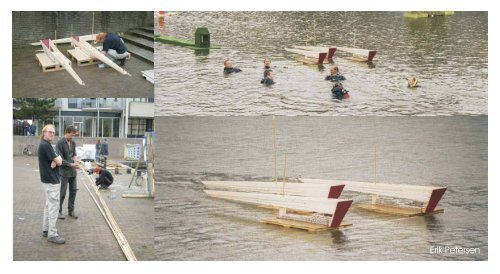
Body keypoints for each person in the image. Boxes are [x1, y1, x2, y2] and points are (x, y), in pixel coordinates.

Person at [38, 124, 65, 244]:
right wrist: (57, 160)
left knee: (49, 205)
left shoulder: (46, 145)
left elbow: (58, 161)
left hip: (47, 180)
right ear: (44, 133)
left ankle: (45, 229)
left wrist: (57, 160)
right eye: (50, 132)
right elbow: (59, 161)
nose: (52, 134)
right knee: (54, 207)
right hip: (52, 181)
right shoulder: (46, 145)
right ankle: (52, 234)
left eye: (53, 132)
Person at [56, 126, 81, 220]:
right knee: (62, 192)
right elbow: (59, 159)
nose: (72, 136)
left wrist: (76, 161)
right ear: (66, 132)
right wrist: (71, 164)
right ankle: (58, 211)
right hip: (64, 172)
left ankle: (71, 211)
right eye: (71, 134)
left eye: (73, 135)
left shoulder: (73, 143)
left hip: (73, 172)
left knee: (73, 191)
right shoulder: (60, 143)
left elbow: (74, 155)